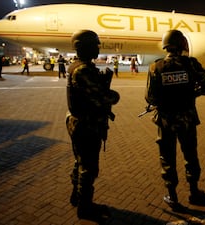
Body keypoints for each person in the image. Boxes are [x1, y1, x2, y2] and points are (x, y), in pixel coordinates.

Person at [145, 29, 205, 210]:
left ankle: (172, 196)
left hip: (166, 121)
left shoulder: (156, 67)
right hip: (187, 119)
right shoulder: (191, 64)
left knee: (167, 157)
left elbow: (150, 98)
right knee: (190, 155)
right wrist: (193, 94)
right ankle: (194, 191)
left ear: (166, 45)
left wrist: (164, 99)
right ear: (182, 44)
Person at [66, 29, 120, 222]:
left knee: (79, 162)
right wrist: (113, 95)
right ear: (85, 47)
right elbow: (103, 97)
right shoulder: (83, 70)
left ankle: (77, 196)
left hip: (79, 122)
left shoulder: (76, 66)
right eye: (94, 45)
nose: (97, 48)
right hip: (87, 124)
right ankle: (85, 207)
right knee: (88, 168)